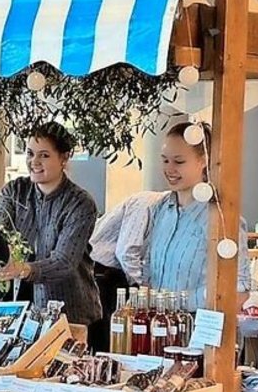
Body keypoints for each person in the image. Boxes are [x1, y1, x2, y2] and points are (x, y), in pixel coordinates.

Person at [0, 122, 102, 328]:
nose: (34, 161)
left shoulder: (80, 202)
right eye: (30, 153)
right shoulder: (15, 190)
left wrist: (24, 269)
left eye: (44, 155)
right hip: (20, 310)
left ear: (64, 158)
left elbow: (64, 262)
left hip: (71, 313)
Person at [141, 122, 249, 311]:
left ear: (203, 160)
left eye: (179, 161)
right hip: (157, 328)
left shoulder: (221, 218)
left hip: (199, 331)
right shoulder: (159, 209)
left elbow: (238, 290)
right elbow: (149, 274)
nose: (170, 169)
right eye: (165, 160)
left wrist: (178, 303)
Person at [89, 190, 165, 350]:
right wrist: (143, 286)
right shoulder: (147, 203)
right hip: (102, 272)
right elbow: (126, 251)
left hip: (118, 274)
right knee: (108, 341)